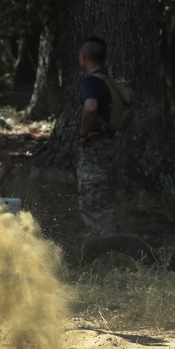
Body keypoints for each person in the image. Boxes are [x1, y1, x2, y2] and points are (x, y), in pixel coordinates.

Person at [77, 36, 119, 235]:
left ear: (84, 56)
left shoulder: (91, 82)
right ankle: (112, 243)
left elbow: (90, 106)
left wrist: (83, 133)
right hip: (110, 143)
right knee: (105, 194)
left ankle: (105, 250)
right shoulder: (110, 80)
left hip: (94, 144)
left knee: (93, 198)